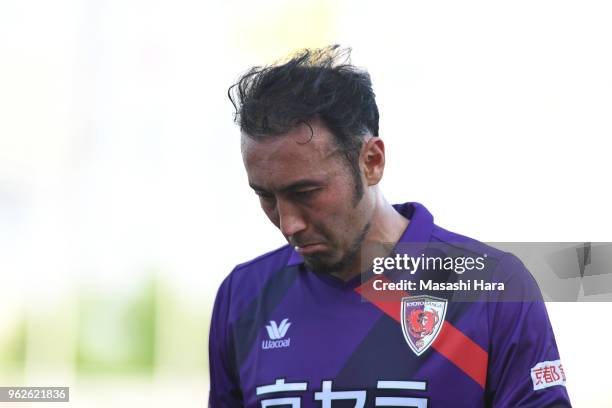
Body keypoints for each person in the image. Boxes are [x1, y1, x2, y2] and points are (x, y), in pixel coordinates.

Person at [208, 45, 571, 407]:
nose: (289, 224)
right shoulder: (242, 297)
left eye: (305, 192)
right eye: (266, 196)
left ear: (372, 161)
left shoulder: (494, 288)